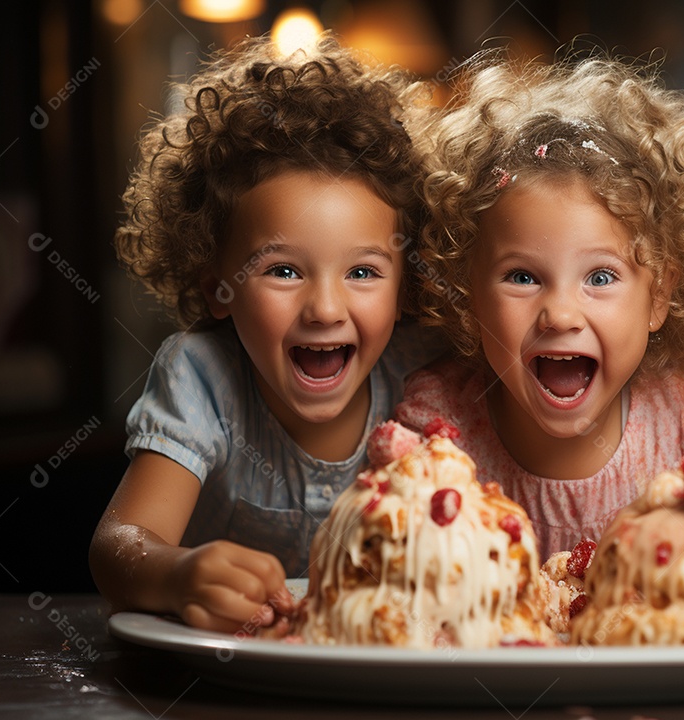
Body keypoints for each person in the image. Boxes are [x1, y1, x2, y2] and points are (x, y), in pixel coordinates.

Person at [90, 35, 436, 632]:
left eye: (362, 271)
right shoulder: (203, 377)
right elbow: (118, 546)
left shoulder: (425, 373)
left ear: (406, 286)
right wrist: (177, 575)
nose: (325, 308)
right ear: (216, 286)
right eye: (283, 270)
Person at [395, 54, 684, 558]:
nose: (559, 314)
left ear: (658, 296)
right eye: (522, 277)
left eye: (600, 277)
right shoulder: (439, 434)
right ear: (468, 294)